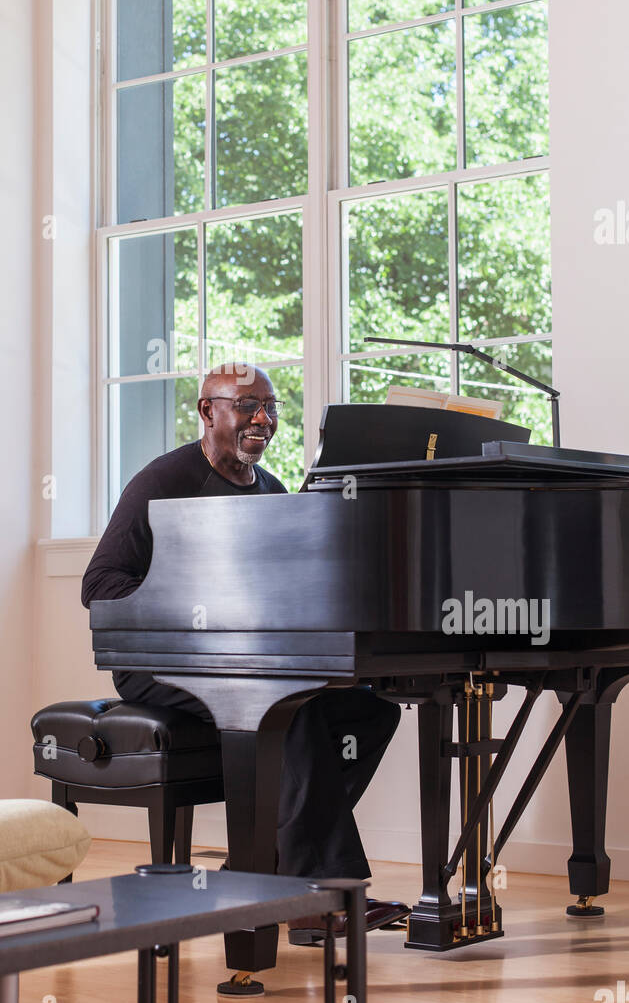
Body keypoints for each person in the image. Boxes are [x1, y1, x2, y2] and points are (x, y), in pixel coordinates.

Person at [82, 364, 407, 943]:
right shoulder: (161, 481)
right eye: (248, 406)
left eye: (272, 407)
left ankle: (267, 863)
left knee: (371, 708)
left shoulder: (273, 491)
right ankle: (313, 896)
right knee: (291, 706)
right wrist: (190, 608)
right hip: (158, 663)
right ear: (208, 412)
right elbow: (100, 583)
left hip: (247, 662)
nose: (263, 419)